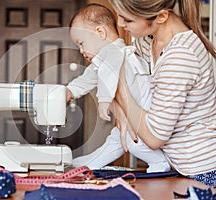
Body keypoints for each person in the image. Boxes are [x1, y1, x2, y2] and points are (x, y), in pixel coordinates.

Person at [108, 0, 216, 187]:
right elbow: (116, 68)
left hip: (203, 171)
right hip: (182, 167)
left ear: (161, 16)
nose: (120, 24)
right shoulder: (149, 41)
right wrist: (120, 110)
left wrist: (119, 91)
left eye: (128, 20)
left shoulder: (180, 56)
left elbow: (154, 136)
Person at [67, 3, 170, 172]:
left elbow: (109, 76)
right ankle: (92, 163)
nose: (81, 50)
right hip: (134, 114)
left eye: (81, 43)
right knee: (116, 139)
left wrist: (104, 101)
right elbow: (88, 78)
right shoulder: (103, 60)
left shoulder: (115, 51)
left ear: (100, 32)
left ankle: (160, 162)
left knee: (132, 142)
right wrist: (70, 91)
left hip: (145, 114)